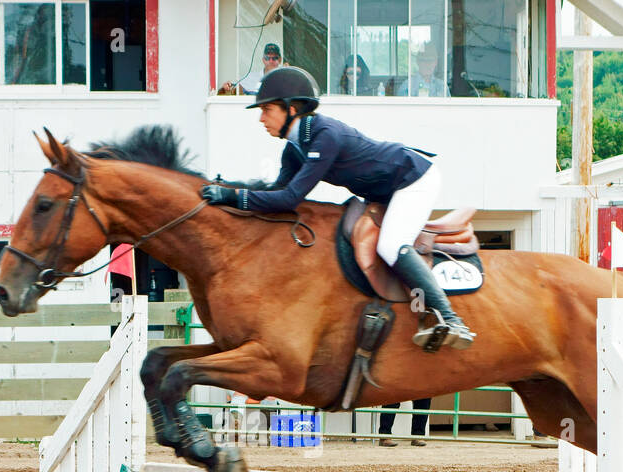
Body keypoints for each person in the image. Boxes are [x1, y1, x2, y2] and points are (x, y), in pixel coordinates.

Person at [201, 66, 475, 352]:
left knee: (391, 246)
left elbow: (289, 200)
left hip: (413, 178)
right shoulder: (294, 149)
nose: (261, 118)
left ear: (291, 109)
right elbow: (275, 192)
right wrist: (229, 190)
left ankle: (451, 318)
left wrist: (232, 198)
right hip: (382, 191)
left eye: (267, 109)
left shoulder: (324, 134)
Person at [220, 43, 284, 96]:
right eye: (267, 58)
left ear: (280, 59)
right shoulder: (251, 77)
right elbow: (237, 90)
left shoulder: (285, 78)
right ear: (263, 60)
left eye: (275, 58)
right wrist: (227, 89)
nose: (271, 61)